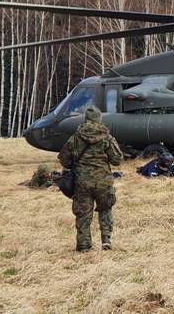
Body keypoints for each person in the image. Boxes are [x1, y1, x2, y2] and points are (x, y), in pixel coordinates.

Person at [58, 106, 123, 252]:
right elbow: (117, 160)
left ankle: (84, 245)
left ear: (86, 119)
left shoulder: (76, 137)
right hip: (103, 181)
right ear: (100, 119)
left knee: (83, 214)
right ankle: (106, 239)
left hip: (82, 182)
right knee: (105, 208)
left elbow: (64, 160)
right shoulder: (107, 137)